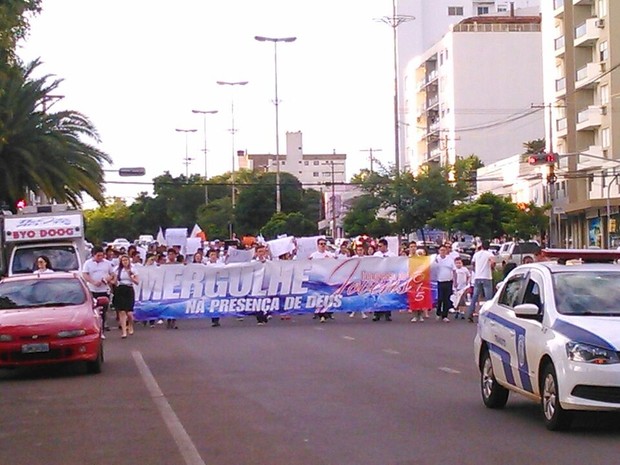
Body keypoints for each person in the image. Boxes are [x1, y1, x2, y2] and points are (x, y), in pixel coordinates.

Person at [82, 246, 115, 337]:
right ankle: (96, 329)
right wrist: (93, 282)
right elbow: (85, 274)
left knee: (103, 310)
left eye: (102, 255)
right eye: (98, 256)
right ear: (93, 255)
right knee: (94, 311)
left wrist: (106, 279)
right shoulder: (88, 263)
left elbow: (112, 274)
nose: (100, 257)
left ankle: (102, 330)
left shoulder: (107, 263)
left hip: (104, 289)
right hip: (92, 290)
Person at [466, 240, 496, 322]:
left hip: (478, 277)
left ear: (482, 246)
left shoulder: (476, 254)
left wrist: (476, 270)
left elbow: (473, 264)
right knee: (488, 297)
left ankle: (470, 314)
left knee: (475, 296)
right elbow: (493, 262)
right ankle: (488, 315)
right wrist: (492, 267)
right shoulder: (489, 254)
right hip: (487, 277)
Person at [110, 254, 139, 338]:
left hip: (129, 289)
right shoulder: (117, 270)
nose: (125, 262)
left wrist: (131, 276)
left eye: (126, 260)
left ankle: (130, 325)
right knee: (122, 311)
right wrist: (110, 282)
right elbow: (114, 280)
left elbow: (137, 282)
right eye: (123, 260)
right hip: (120, 289)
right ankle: (124, 331)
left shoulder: (133, 269)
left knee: (129, 313)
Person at [309, 238, 335, 322]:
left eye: (324, 244)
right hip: (317, 278)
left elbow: (336, 264)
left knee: (327, 295)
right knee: (318, 295)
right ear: (318, 245)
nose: (323, 245)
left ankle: (327, 312)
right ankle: (321, 314)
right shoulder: (314, 255)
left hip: (327, 278)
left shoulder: (330, 255)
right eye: (321, 244)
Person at [372, 238, 397, 322]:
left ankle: (387, 314)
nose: (379, 248)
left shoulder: (392, 255)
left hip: (388, 277)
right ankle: (377, 314)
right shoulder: (376, 254)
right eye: (378, 246)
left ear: (385, 246)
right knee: (377, 295)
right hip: (378, 277)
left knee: (387, 295)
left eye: (380, 246)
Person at [432, 245, 455, 322]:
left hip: (448, 281)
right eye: (441, 250)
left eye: (444, 250)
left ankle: (445, 315)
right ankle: (438, 312)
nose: (442, 252)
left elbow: (454, 270)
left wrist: (455, 280)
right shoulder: (436, 259)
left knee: (447, 299)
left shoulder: (450, 259)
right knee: (440, 298)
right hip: (439, 281)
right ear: (439, 251)